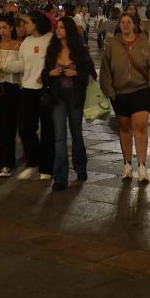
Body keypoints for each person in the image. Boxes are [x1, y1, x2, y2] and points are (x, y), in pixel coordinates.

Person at [98, 11, 150, 184]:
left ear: (134, 25)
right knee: (125, 127)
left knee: (140, 125)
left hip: (141, 90)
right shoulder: (112, 44)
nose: (126, 25)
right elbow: (105, 69)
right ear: (119, 25)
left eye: (129, 22)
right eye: (123, 22)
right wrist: (108, 90)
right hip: (119, 92)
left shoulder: (143, 42)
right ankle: (127, 164)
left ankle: (142, 166)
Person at [1, 12, 54, 181]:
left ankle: (46, 167)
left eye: (27, 23)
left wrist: (46, 75)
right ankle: (34, 159)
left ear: (37, 23)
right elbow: (22, 65)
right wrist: (4, 65)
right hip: (28, 89)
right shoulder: (26, 42)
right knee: (24, 127)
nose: (24, 26)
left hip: (45, 90)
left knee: (47, 129)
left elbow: (56, 61)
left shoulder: (51, 39)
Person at [44, 16, 94, 191]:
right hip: (57, 97)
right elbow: (44, 75)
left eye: (62, 28)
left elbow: (91, 73)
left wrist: (77, 74)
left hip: (75, 96)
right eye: (57, 27)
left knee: (77, 134)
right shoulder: (52, 50)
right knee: (59, 137)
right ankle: (60, 178)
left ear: (69, 31)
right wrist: (50, 73)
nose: (58, 31)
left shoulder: (80, 51)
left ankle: (80, 166)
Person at [0, 14, 22, 177]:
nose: (2, 31)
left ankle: (8, 162)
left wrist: (3, 66)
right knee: (0, 125)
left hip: (12, 88)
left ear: (11, 28)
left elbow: (21, 67)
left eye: (5, 27)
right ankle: (3, 160)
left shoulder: (18, 46)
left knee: (10, 125)